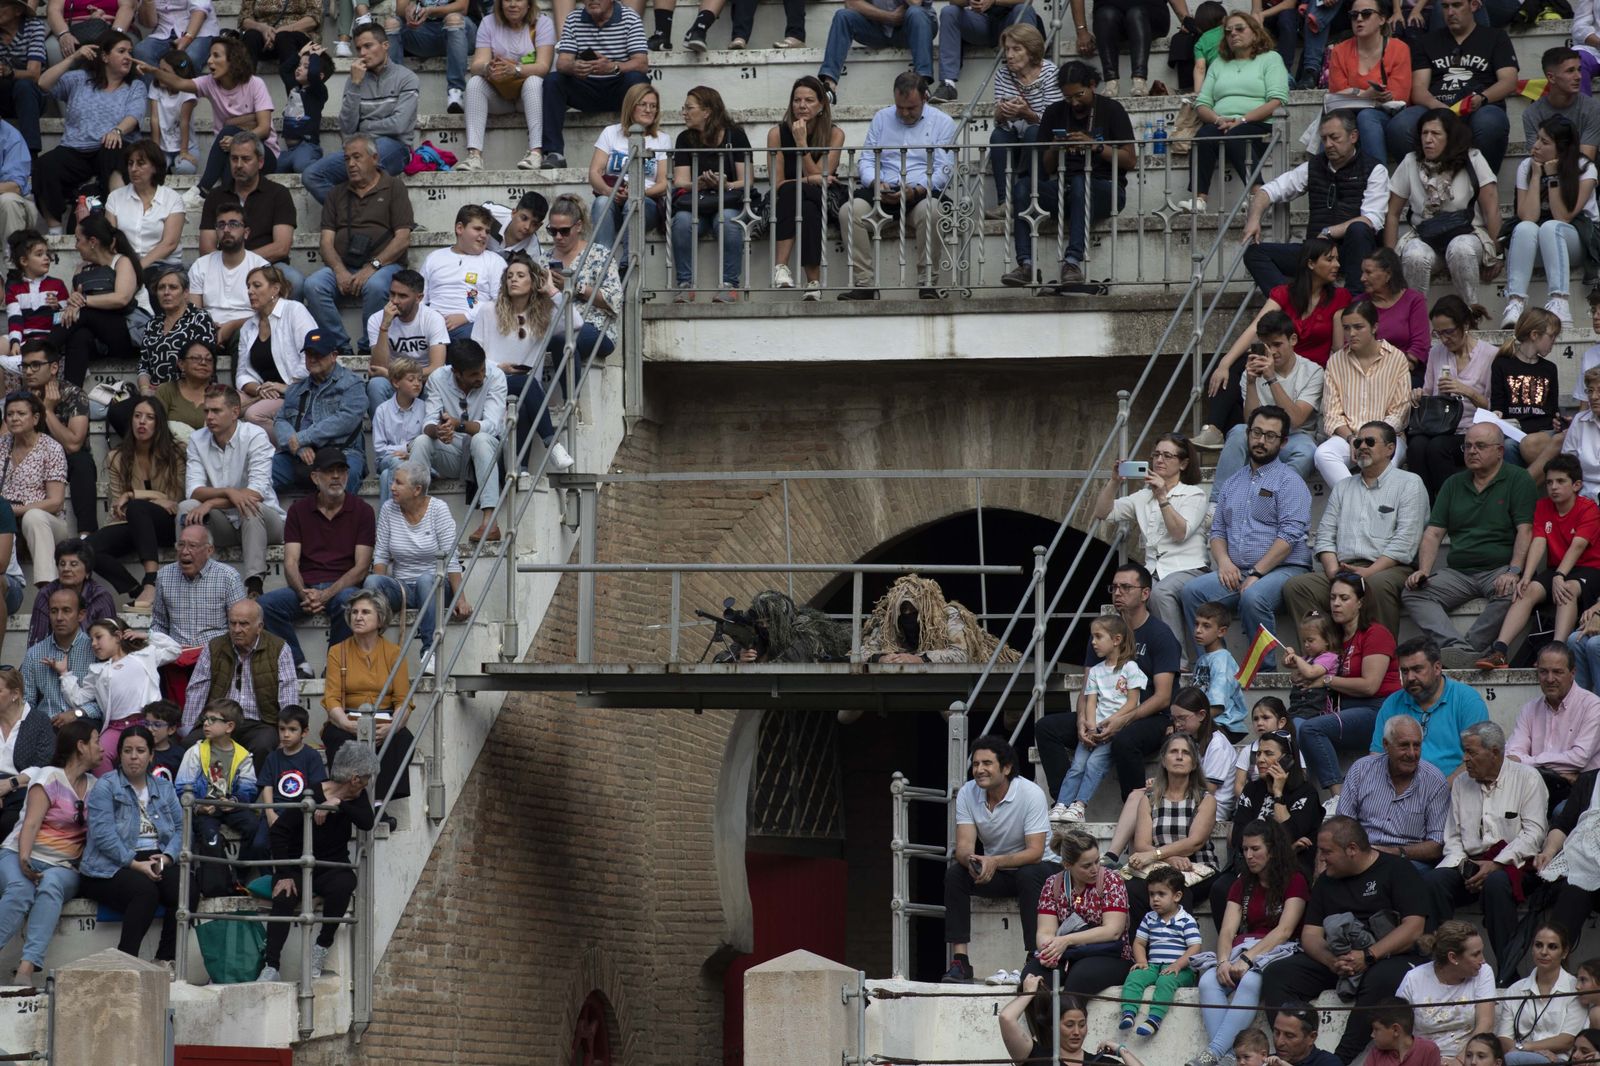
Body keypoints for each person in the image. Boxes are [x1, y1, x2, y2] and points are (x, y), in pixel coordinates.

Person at [1261, 816, 1428, 1065]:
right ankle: (1298, 1049)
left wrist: (1369, 955)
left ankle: (1338, 1060)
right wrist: (1331, 961)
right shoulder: (1326, 881)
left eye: (1327, 851)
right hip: (1339, 957)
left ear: (1352, 849)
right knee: (1277, 973)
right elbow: (1310, 935)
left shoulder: (1397, 870)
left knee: (1381, 977)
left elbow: (1414, 927)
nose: (1322, 858)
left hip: (1387, 955)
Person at [1035, 562, 1181, 803]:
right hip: (1102, 713)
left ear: (1145, 593)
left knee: (1125, 741)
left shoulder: (1160, 635)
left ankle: (1135, 808)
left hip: (1147, 717)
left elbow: (1163, 697)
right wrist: (1083, 720)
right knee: (1046, 727)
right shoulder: (1103, 634)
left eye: (1125, 587)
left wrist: (1122, 721)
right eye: (1113, 588)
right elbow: (1087, 686)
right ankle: (1064, 801)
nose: (1118, 593)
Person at [1179, 405, 1312, 669]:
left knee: (1254, 597)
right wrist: (1224, 562)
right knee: (1192, 592)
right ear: (1248, 434)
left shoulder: (1290, 481)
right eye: (1257, 433)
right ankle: (1216, 666)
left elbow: (1289, 537)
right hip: (1238, 570)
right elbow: (1217, 531)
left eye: (1270, 436)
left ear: (1283, 442)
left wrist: (1257, 573)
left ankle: (1264, 671)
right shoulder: (1232, 482)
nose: (1261, 441)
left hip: (1284, 569)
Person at [1402, 424, 1536, 665]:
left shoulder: (1518, 479)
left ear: (1499, 451)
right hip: (1459, 572)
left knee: (1514, 590)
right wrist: (1423, 570)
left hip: (1498, 568)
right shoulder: (1453, 484)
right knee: (1414, 593)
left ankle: (1470, 647)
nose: (1472, 451)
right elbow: (1433, 533)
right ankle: (1458, 647)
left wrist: (1514, 570)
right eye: (1468, 446)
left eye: (1480, 446)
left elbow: (1525, 530)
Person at [1426, 722, 1547, 986]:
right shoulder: (1460, 784)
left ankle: (1507, 972)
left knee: (1495, 883)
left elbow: (1534, 834)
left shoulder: (1527, 778)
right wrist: (1464, 868)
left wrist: (1496, 864)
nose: (1464, 759)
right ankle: (1443, 965)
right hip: (1470, 864)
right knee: (1434, 881)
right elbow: (1454, 837)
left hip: (1514, 865)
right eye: (1464, 752)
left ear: (1494, 752)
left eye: (1471, 752)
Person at [1201, 241, 1351, 452]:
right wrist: (1224, 363)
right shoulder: (1286, 292)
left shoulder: (1340, 297)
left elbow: (1337, 347)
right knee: (1237, 366)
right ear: (1310, 264)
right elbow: (1256, 328)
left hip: (1311, 372)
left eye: (1337, 258)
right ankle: (1214, 429)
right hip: (1276, 358)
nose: (1336, 264)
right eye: (1329, 259)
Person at [1002, 60, 1135, 294]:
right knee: (1023, 187)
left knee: (1081, 181)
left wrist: (1094, 146)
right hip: (1065, 189)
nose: (1074, 102)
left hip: (1107, 188)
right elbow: (1047, 167)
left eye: (1079, 95)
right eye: (1068, 97)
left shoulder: (1112, 109)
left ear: (1093, 85)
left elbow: (1130, 159)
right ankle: (1026, 265)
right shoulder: (1055, 112)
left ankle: (1072, 262)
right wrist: (1054, 148)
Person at [1285, 422, 1426, 639]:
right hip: (1343, 569)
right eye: (1358, 442)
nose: (1362, 446)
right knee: (1298, 586)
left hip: (1389, 569)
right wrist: (1334, 574)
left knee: (1376, 585)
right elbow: (1325, 536)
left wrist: (1368, 572)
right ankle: (1327, 656)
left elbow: (1405, 541)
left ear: (1390, 449)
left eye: (1370, 441)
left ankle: (1380, 658)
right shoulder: (1344, 486)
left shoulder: (1409, 483)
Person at [941, 735, 1059, 984]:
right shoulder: (967, 793)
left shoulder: (1030, 793)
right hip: (1001, 869)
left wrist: (993, 861)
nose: (979, 770)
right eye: (975, 764)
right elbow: (963, 846)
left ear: (1006, 768)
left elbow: (1035, 851)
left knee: (1028, 873)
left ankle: (1034, 958)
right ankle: (960, 962)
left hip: (1042, 870)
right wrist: (973, 861)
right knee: (955, 874)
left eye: (987, 763)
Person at [1191, 819, 1309, 1066]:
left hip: (1276, 951)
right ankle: (1230, 1058)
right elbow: (1227, 930)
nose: (1249, 855)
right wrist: (1223, 961)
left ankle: (1212, 1053)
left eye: (1255, 849)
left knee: (1252, 980)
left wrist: (1247, 960)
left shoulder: (1294, 880)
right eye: (1245, 849)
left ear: (1273, 850)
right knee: (1208, 980)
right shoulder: (1241, 883)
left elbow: (1285, 930)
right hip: (1241, 949)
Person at [257, 741, 376, 983]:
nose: (367, 784)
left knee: (344, 884)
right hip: (298, 864)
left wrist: (339, 805)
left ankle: (320, 949)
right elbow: (279, 831)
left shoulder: (355, 798)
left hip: (331, 866)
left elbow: (367, 821)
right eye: (365, 779)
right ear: (354, 778)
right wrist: (285, 872)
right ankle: (271, 966)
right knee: (284, 895)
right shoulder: (310, 793)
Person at [837, 73, 957, 302]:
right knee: (848, 211)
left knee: (932, 211)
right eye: (900, 107)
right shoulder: (882, 118)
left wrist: (917, 190)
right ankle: (864, 284)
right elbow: (868, 160)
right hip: (883, 190)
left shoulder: (943, 123)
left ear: (925, 98)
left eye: (911, 107)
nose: (904, 113)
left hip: (920, 192)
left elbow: (944, 169)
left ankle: (928, 283)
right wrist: (875, 183)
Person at [1090, 434, 1208, 664]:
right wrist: (1114, 482)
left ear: (1183, 464)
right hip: (1154, 569)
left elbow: (1180, 532)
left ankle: (1176, 660)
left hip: (1189, 568)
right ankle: (1133, 657)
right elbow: (1103, 513)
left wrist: (1162, 497)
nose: (1159, 460)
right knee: (1126, 593)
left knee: (1160, 592)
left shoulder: (1194, 494)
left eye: (1167, 455)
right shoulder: (1142, 497)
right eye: (1156, 454)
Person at [1241, 113, 1386, 297]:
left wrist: (1329, 231)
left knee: (1359, 229)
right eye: (1324, 139)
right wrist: (1253, 220)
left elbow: (1372, 219)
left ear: (1353, 136)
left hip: (1352, 252)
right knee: (1255, 254)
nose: (1328, 144)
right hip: (1315, 252)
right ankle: (1289, 303)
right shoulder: (1313, 167)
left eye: (1334, 137)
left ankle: (1355, 304)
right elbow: (1267, 191)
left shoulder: (1374, 169)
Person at [259, 447, 375, 675]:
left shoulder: (363, 511)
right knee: (264, 606)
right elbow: (290, 562)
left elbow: (361, 567)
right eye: (329, 471)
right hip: (307, 586)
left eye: (341, 471)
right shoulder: (298, 510)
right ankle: (298, 664)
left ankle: (333, 667)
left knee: (350, 603)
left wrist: (327, 594)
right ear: (314, 477)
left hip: (343, 586)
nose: (335, 477)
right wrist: (304, 593)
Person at [0, 717, 96, 981]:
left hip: (63, 866)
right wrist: (24, 861)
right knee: (20, 889)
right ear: (81, 746)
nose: (102, 748)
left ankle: (27, 967)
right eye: (96, 741)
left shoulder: (96, 787)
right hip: (20, 852)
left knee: (51, 884)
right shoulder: (48, 777)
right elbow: (30, 824)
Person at [76, 725, 182, 964]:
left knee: (185, 888)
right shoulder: (106, 786)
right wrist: (135, 864)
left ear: (151, 755)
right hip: (109, 865)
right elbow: (103, 836)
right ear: (120, 754)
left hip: (156, 857)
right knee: (145, 891)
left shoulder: (164, 788)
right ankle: (126, 962)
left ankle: (166, 959)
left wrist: (166, 858)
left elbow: (181, 829)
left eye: (141, 750)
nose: (134, 757)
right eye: (127, 750)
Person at [302, 135, 415, 356]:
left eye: (357, 157)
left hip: (384, 265)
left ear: (374, 158)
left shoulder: (393, 187)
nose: (351, 164)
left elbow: (402, 238)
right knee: (313, 285)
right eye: (346, 159)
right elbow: (326, 242)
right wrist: (339, 270)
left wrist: (372, 267)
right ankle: (339, 345)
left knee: (375, 286)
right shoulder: (336, 193)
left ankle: (368, 346)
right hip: (345, 264)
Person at [1480, 466, 1600, 669]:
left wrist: (1560, 575)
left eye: (1561, 481)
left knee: (1567, 589)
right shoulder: (1543, 506)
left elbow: (1578, 545)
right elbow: (1538, 541)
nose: (1553, 487)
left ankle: (1557, 651)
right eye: (1549, 482)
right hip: (1557, 568)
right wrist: (1526, 576)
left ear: (1577, 485)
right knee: (1527, 590)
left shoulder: (1588, 508)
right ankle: (1500, 650)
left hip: (1590, 569)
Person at [471, 255, 576, 478]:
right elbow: (473, 356)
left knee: (524, 399)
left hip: (526, 390)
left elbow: (576, 323)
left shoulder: (542, 316)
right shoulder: (488, 311)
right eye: (509, 276)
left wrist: (551, 289)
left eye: (520, 275)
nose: (513, 280)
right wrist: (500, 367)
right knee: (524, 383)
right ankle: (552, 444)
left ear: (533, 282)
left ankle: (521, 469)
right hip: (490, 383)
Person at [1384, 108, 1501, 307]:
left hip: (1468, 234)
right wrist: (1389, 261)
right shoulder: (1411, 161)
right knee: (1413, 255)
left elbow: (1492, 209)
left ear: (1450, 137)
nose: (1428, 139)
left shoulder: (1473, 158)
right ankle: (1415, 321)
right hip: (1425, 236)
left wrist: (1496, 254)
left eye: (1436, 134)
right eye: (1424, 133)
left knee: (1460, 249)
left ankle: (1470, 316)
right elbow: (1393, 213)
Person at [1174, 12, 1288, 215]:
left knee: (1238, 134)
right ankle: (1199, 199)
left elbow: (1276, 100)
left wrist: (1242, 119)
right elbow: (1202, 103)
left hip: (1259, 123)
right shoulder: (1218, 63)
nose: (1232, 34)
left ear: (1255, 32)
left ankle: (1257, 193)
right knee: (1203, 136)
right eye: (1228, 31)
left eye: (1239, 28)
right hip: (1222, 122)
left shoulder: (1271, 58)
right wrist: (1218, 119)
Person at [179, 384, 286, 598]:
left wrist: (211, 503)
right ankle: (198, 577)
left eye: (216, 411)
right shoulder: (197, 439)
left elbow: (255, 493)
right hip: (225, 523)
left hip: (265, 522)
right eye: (207, 411)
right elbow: (194, 491)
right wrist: (229, 492)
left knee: (250, 506)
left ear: (235, 412)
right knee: (186, 507)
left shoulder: (255, 435)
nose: (209, 417)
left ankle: (254, 583)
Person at [364, 461, 470, 676]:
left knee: (425, 580)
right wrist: (377, 594)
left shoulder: (438, 510)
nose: (391, 487)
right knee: (371, 583)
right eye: (393, 481)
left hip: (436, 587)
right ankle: (369, 650)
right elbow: (381, 554)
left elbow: (450, 558)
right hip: (403, 588)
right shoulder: (388, 509)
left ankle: (429, 651)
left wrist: (460, 598)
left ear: (417, 490)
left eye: (398, 483)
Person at [32, 34, 144, 234]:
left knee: (115, 149)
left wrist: (117, 130)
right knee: (44, 165)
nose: (128, 56)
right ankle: (55, 229)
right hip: (76, 148)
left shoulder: (135, 86)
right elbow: (42, 83)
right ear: (105, 56)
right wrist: (73, 58)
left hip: (110, 146)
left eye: (130, 52)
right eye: (121, 51)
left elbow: (134, 115)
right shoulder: (79, 79)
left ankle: (121, 217)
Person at [1386, 0, 1516, 171]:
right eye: (1445, 6)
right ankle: (1426, 182)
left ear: (1474, 5)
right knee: (1400, 126)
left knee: (1490, 123)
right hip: (1436, 107)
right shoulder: (1426, 42)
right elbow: (1418, 88)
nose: (1450, 12)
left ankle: (1480, 187)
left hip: (1480, 106)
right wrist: (1436, 106)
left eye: (1457, 5)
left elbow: (1509, 81)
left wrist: (1483, 98)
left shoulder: (1496, 37)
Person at [302, 24, 418, 204]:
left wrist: (364, 128)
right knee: (311, 175)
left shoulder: (406, 78)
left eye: (368, 46)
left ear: (385, 45)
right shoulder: (354, 79)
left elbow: (398, 125)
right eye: (358, 48)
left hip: (396, 147)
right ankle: (351, 215)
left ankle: (364, 215)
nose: (362, 53)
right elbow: (347, 127)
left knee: (366, 165)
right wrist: (356, 85)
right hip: (358, 147)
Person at [87, 396, 183, 611]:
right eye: (137, 416)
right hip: (135, 523)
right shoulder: (117, 458)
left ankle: (151, 580)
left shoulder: (176, 454)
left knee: (138, 507)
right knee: (87, 549)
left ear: (159, 424)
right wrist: (151, 498)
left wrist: (133, 494)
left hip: (169, 524)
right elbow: (119, 508)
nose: (142, 422)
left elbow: (174, 500)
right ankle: (136, 591)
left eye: (149, 417)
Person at [322, 589, 413, 811]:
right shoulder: (337, 651)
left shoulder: (394, 652)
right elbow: (331, 697)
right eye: (354, 612)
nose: (358, 617)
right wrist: (345, 723)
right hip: (349, 718)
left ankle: (378, 804)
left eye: (365, 612)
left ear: (380, 618)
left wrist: (392, 727)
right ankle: (350, 796)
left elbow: (404, 700)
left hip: (384, 719)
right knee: (335, 735)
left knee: (402, 738)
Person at [410, 340, 507, 546]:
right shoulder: (438, 378)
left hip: (489, 452)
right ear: (456, 372)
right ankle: (414, 519)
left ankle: (490, 523)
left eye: (481, 370)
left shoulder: (496, 375)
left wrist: (458, 425)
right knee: (421, 442)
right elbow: (428, 421)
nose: (481, 376)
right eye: (474, 374)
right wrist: (438, 430)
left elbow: (492, 426)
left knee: (480, 439)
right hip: (454, 451)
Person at [1505, 117, 1597, 330]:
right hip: (1542, 240)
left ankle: (1560, 303)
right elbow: (1528, 216)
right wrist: (1537, 176)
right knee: (1524, 228)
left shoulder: (1584, 167)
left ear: (1562, 148)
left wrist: (1553, 176)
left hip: (1581, 238)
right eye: (1537, 139)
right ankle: (1515, 303)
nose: (1536, 146)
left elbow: (1563, 216)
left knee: (1551, 227)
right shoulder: (1527, 166)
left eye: (1545, 142)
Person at [1050, 615, 1145, 824]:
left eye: (1098, 636)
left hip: (1115, 730)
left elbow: (1132, 703)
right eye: (1092, 637)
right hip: (1097, 729)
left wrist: (1110, 722)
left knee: (1094, 764)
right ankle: (1062, 804)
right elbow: (1090, 702)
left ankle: (1080, 805)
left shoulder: (1130, 668)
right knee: (1077, 765)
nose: (1093, 642)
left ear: (1117, 639)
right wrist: (1091, 725)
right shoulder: (1095, 671)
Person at [179, 599, 295, 767]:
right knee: (189, 745)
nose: (236, 630)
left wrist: (287, 730)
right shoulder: (215, 647)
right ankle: (210, 792)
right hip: (218, 720)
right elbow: (197, 689)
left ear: (260, 627)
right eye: (232, 623)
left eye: (244, 624)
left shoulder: (279, 648)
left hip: (261, 722)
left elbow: (288, 693)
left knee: (263, 745)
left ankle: (253, 792)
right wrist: (189, 728)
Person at [1211, 315, 1325, 484]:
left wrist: (1272, 378)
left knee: (1307, 452)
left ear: (1293, 339)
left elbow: (1295, 420)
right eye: (1266, 346)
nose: (1271, 352)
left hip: (1293, 437)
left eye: (1277, 344)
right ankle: (1218, 503)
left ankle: (1270, 494)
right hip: (1259, 434)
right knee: (1237, 433)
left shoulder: (1313, 371)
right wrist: (1251, 383)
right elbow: (1250, 421)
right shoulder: (1249, 372)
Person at [56, 618, 180, 773]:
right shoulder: (98, 671)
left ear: (117, 636)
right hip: (116, 727)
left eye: (99, 637)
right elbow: (78, 698)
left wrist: (147, 635)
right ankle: (110, 792)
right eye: (92, 640)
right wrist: (64, 674)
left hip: (145, 722)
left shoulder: (144, 656)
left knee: (147, 756)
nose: (94, 643)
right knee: (100, 754)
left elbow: (175, 650)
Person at [538, 0, 649, 170]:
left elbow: (641, 63)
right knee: (553, 81)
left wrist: (613, 67)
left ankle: (639, 144)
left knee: (637, 79)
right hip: (585, 85)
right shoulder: (574, 18)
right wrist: (574, 66)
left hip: (618, 88)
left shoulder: (629, 18)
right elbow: (562, 62)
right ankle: (554, 152)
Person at [1023, 826, 1133, 993]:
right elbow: (1045, 930)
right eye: (1087, 865)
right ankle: (1043, 1020)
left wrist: (1067, 940)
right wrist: (1048, 952)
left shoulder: (1111, 880)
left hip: (1108, 954)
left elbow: (1113, 931)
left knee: (1080, 977)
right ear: (1068, 865)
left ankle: (1069, 1018)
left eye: (1097, 861)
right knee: (1032, 977)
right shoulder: (1053, 884)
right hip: (1067, 953)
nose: (1095, 869)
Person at [1121, 733, 1219, 919]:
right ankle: (1140, 946)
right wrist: (1169, 858)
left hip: (1198, 868)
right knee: (1132, 889)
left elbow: (1194, 842)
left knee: (1178, 892)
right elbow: (1141, 844)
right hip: (1159, 867)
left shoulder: (1206, 800)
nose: (1180, 756)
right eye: (1174, 752)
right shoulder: (1148, 800)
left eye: (1186, 753)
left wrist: (1158, 854)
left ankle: (1181, 946)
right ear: (1164, 761)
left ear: (1194, 763)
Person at [105, 269, 211, 437]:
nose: (166, 292)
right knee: (118, 412)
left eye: (173, 287)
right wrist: (145, 388)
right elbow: (144, 365)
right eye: (162, 288)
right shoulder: (152, 324)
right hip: (154, 394)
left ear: (185, 293)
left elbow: (202, 361)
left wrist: (167, 389)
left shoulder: (199, 318)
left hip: (186, 391)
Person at [1409, 295, 1498, 497]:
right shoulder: (1436, 353)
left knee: (1437, 448)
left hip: (1471, 428)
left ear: (1465, 325)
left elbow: (1494, 407)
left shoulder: (1490, 355)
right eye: (1438, 333)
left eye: (1449, 332)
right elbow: (1429, 391)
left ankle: (1450, 506)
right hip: (1440, 426)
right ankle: (1423, 507)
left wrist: (1466, 390)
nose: (1444, 339)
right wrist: (1419, 394)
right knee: (1416, 445)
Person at [1336, 716, 1449, 871]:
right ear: (1386, 745)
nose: (1411, 753)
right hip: (1361, 854)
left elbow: (1437, 845)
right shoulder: (1361, 770)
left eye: (1416, 746)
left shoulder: (1434, 780)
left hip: (1408, 861)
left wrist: (1395, 852)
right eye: (1404, 746)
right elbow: (1343, 824)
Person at [668, 86, 749, 303]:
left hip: (727, 201)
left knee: (729, 220)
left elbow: (747, 180)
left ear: (707, 112)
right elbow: (680, 181)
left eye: (689, 108)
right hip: (698, 201)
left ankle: (729, 285)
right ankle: (685, 285)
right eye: (684, 108)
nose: (684, 112)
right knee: (682, 221)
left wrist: (726, 184)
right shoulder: (684, 139)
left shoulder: (736, 136)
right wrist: (700, 183)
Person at [194, 135, 300, 296]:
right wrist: (232, 265)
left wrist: (242, 262)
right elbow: (206, 249)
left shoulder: (278, 194)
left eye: (246, 159)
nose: (239, 165)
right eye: (234, 159)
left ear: (261, 162)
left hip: (269, 265)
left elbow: (281, 247)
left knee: (295, 281)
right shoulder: (216, 196)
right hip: (224, 265)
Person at [767, 76, 842, 300]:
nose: (802, 105)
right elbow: (777, 183)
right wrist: (811, 180)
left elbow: (820, 176)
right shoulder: (777, 134)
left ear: (821, 106)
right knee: (804, 205)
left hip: (826, 198)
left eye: (809, 100)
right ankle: (813, 283)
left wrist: (802, 145)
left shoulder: (835, 134)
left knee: (799, 194)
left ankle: (781, 266)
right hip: (792, 199)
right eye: (797, 100)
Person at [457, 0, 553, 173]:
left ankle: (536, 153)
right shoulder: (489, 22)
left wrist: (515, 69)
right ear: (500, 4)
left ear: (529, 4)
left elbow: (543, 67)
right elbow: (476, 65)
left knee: (534, 81)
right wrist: (489, 67)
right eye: (507, 0)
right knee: (474, 83)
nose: (512, 5)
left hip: (529, 97)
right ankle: (474, 156)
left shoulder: (542, 22)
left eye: (518, 0)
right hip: (500, 96)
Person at [582, 82, 669, 271]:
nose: (649, 110)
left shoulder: (661, 139)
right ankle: (602, 266)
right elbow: (595, 172)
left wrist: (639, 194)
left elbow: (663, 183)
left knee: (633, 204)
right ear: (631, 106)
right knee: (601, 203)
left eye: (653, 106)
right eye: (643, 104)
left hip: (646, 202)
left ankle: (627, 266)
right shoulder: (611, 133)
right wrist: (609, 192)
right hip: (615, 196)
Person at [1508, 643, 1600, 817]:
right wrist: (1552, 770)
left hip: (1581, 789)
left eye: (1557, 672)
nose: (1549, 679)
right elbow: (1511, 755)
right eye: (1543, 672)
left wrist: (1531, 761)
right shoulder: (1529, 709)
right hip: (1537, 786)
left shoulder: (1592, 706)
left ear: (1573, 673)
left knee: (1559, 813)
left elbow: (1578, 758)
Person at [1224, 731, 1322, 890]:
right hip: (1251, 865)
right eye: (1258, 754)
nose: (1260, 760)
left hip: (1290, 867)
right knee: (1220, 887)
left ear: (1287, 759)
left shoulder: (1306, 793)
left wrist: (1278, 794)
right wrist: (1284, 848)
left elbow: (1291, 833)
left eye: (1268, 754)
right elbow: (1238, 836)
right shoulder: (1251, 790)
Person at [271, 331, 365, 494]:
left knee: (349, 475)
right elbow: (280, 420)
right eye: (309, 354)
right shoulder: (296, 389)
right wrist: (299, 448)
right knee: (262, 474)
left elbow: (347, 419)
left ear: (334, 355)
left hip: (342, 452)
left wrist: (304, 438)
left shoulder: (352, 384)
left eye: (319, 354)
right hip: (301, 456)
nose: (313, 359)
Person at [16, 340, 92, 536]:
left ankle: (87, 535)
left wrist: (46, 410)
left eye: (35, 365)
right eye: (24, 366)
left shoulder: (74, 394)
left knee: (82, 461)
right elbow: (2, 442)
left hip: (65, 463)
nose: (28, 372)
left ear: (54, 367)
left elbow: (74, 444)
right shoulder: (19, 397)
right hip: (28, 462)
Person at [174, 697, 262, 865]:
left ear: (229, 726)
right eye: (205, 719)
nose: (206, 724)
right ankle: (215, 881)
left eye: (212, 720)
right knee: (210, 835)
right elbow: (182, 788)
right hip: (205, 806)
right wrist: (198, 806)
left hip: (232, 805)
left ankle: (242, 873)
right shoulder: (196, 752)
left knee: (253, 826)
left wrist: (233, 802)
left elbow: (248, 788)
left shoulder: (243, 756)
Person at [983, 26, 1059, 220]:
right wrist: (1001, 114)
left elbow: (1053, 119)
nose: (1009, 55)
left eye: (1016, 49)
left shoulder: (1050, 73)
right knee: (998, 135)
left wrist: (1028, 114)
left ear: (1032, 50)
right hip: (1014, 133)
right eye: (1007, 49)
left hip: (1043, 137)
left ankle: (1033, 198)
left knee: (1035, 132)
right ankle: (1004, 203)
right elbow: (1000, 121)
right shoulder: (1003, 74)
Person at [58, 213, 139, 392]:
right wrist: (73, 302)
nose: (76, 245)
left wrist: (84, 301)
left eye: (78, 240)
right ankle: (72, 397)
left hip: (127, 335)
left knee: (85, 313)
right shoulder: (82, 268)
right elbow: (75, 308)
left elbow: (122, 298)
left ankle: (47, 348)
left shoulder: (122, 261)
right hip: (97, 339)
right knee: (79, 335)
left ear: (92, 241)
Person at [1325, 0, 1411, 166]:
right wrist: (1367, 95)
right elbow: (1337, 95)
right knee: (1334, 123)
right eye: (1353, 15)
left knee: (1367, 116)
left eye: (1366, 14)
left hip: (1388, 115)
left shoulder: (1399, 48)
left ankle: (1377, 182)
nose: (1359, 19)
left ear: (1382, 19)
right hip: (1349, 114)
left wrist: (1356, 94)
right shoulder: (1339, 51)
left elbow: (1400, 96)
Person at [1117, 866, 1200, 1037]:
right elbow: (1139, 943)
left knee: (1165, 982)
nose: (1155, 899)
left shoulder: (1186, 920)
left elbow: (1195, 947)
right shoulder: (1149, 918)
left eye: (1161, 894)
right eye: (1151, 894)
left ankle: (1154, 1019)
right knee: (1134, 977)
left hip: (1180, 969)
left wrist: (1178, 965)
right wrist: (1141, 961)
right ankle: (1128, 1012)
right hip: (1154, 966)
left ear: (1177, 896)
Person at [1395, 922, 1496, 1060]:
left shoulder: (1483, 972)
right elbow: (1399, 1031)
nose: (1483, 960)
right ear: (1453, 957)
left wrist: (1460, 1060)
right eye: (1475, 954)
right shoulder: (1414, 979)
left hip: (1469, 1059)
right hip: (1424, 1058)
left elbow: (1485, 1023)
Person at [234, 266, 314, 434]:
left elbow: (311, 359)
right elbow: (242, 373)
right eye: (248, 286)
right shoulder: (248, 326)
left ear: (275, 289)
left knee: (254, 415)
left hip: (296, 391)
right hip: (263, 391)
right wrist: (259, 389)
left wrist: (284, 386)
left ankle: (294, 449)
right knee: (220, 407)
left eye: (256, 285)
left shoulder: (294, 310)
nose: (250, 291)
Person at [0, 392, 67, 586]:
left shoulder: (51, 448)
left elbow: (56, 502)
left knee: (33, 517)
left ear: (35, 418)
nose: (14, 418)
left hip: (48, 521)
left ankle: (47, 588)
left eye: (21, 413)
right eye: (10, 414)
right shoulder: (2, 445)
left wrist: (15, 511)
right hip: (6, 522)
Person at [813, 0, 934, 106]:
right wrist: (890, 17)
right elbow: (851, 3)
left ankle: (922, 85)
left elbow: (916, 2)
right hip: (879, 28)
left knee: (915, 12)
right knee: (842, 15)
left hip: (911, 28)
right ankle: (829, 87)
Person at [544, 195, 622, 355]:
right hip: (554, 325)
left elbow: (614, 300)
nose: (558, 236)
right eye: (553, 231)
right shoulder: (544, 259)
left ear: (578, 226)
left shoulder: (599, 254)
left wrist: (575, 287)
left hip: (594, 325)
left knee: (564, 340)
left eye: (564, 231)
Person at [1491, 310, 1564, 476]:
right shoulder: (1502, 365)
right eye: (1552, 336)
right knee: (1509, 446)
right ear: (1534, 335)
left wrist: (1559, 421)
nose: (1554, 342)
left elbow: (1553, 409)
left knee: (1540, 443)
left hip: (1544, 433)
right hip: (1515, 432)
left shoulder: (1549, 368)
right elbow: (1497, 406)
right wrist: (1496, 416)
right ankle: (1519, 491)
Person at [1497, 924, 1583, 1065]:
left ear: (1565, 952)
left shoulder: (1575, 988)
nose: (1543, 952)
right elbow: (1503, 1037)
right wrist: (1528, 1052)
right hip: (1519, 1058)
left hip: (1557, 1059)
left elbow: (1567, 1040)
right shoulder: (1515, 989)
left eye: (1552, 947)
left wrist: (1526, 1047)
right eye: (1538, 945)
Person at [150, 522, 244, 650]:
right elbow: (159, 623)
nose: (184, 552)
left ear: (209, 550)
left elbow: (240, 624)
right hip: (177, 655)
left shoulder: (228, 577)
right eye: (181, 545)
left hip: (216, 654)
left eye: (192, 546)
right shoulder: (164, 576)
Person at [421, 204, 506, 344]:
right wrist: (431, 320)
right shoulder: (434, 257)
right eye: (478, 229)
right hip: (432, 326)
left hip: (472, 326)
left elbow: (501, 302)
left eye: (487, 231)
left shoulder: (495, 261)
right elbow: (421, 298)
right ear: (459, 228)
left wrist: (467, 316)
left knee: (471, 339)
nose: (484, 235)